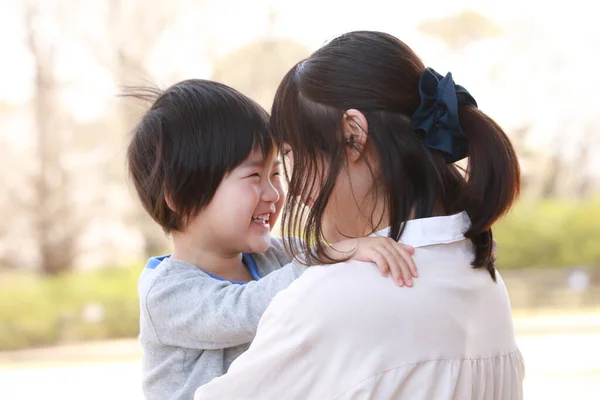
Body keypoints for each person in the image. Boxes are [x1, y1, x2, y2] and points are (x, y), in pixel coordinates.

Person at [195, 31, 525, 400]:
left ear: (352, 135)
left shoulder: (331, 298)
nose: (297, 193)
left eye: (292, 156)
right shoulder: (485, 281)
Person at [124, 79, 417, 400]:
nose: (274, 193)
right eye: (253, 176)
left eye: (275, 174)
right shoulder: (166, 292)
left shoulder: (277, 256)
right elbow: (243, 309)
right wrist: (332, 255)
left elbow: (334, 267)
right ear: (179, 197)